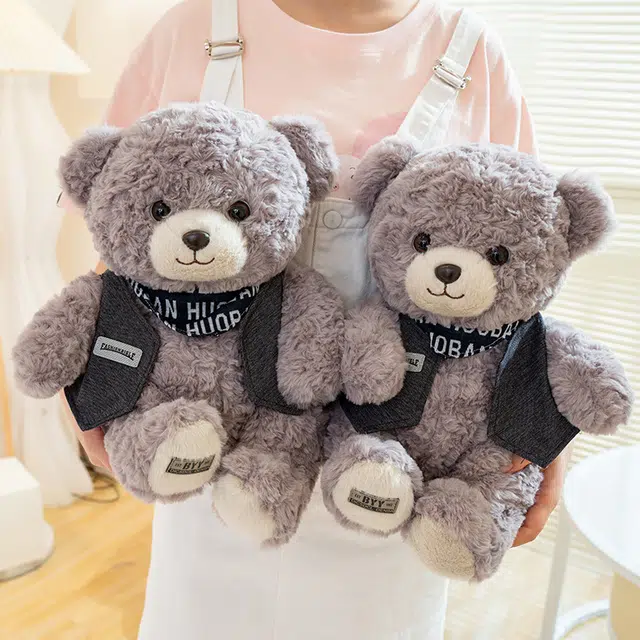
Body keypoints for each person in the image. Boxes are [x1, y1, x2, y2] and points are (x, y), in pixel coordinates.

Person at [71, 1, 569, 638]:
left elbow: (526, 259)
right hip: (212, 443)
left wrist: (542, 423)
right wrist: (93, 381)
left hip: (404, 462)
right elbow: (120, 227)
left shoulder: (476, 55)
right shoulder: (193, 28)